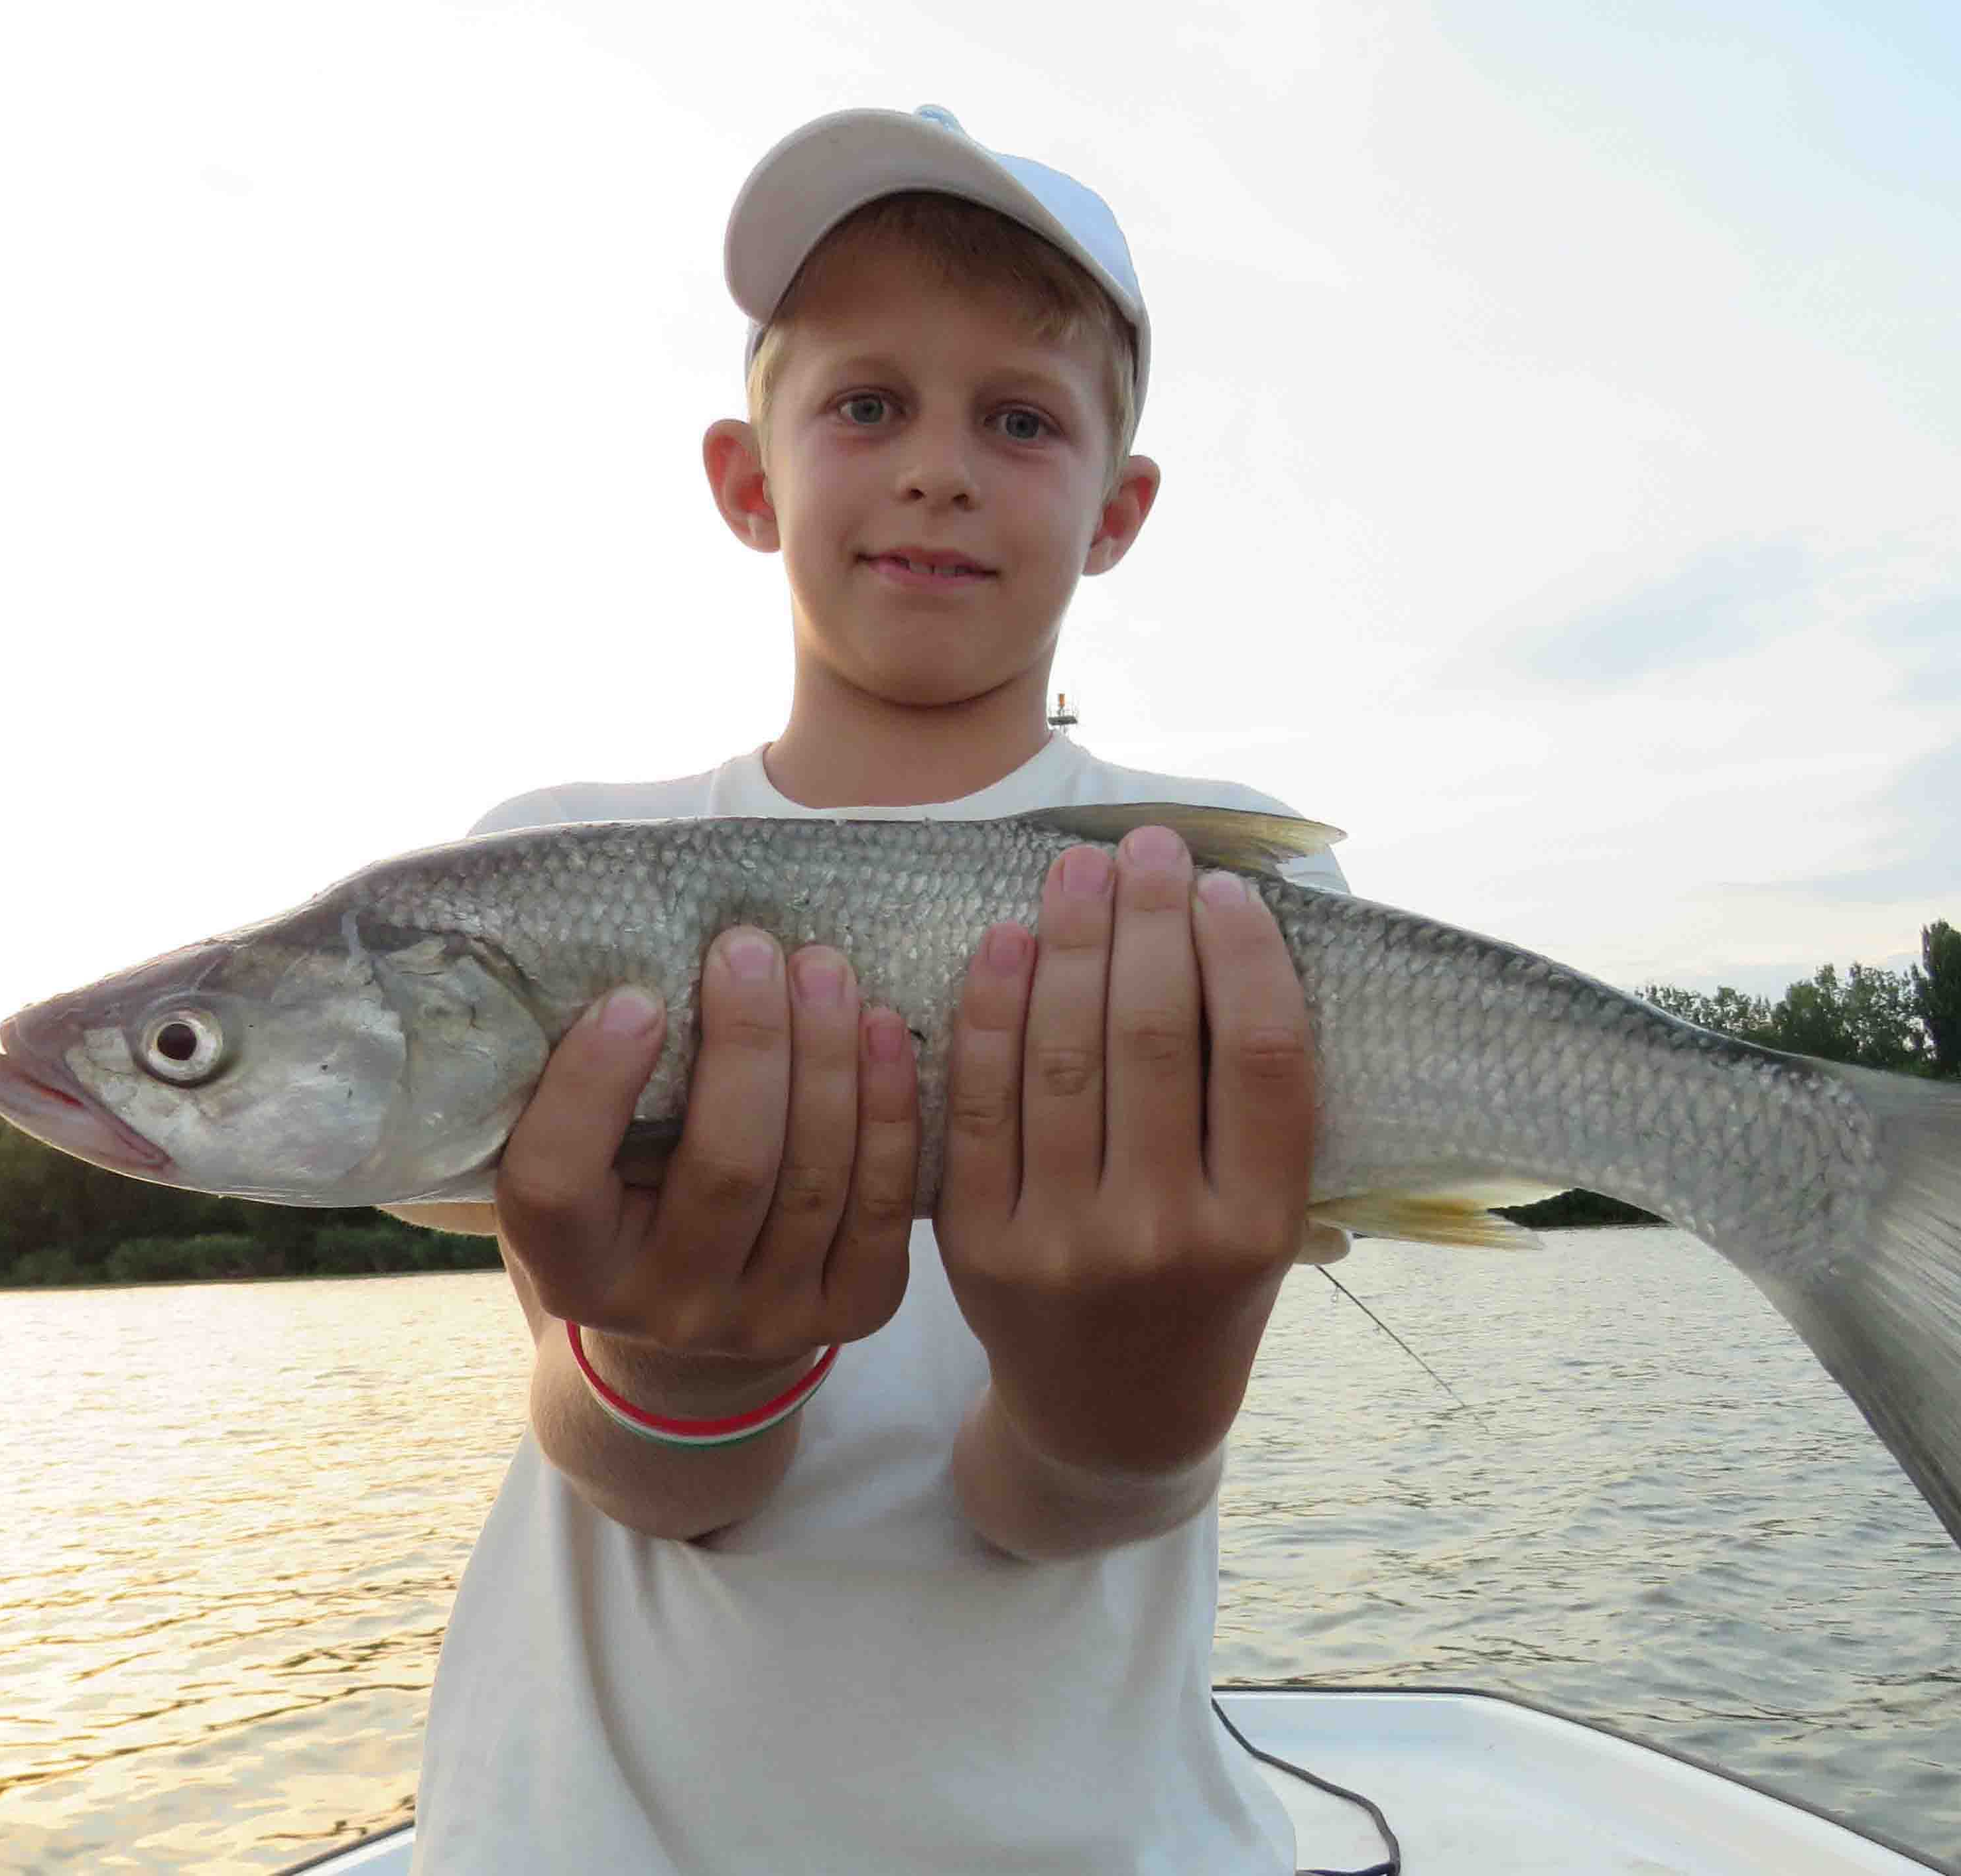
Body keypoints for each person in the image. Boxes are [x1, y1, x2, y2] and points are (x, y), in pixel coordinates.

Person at [396, 105, 1348, 1873]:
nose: (935, 469)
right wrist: (673, 1366)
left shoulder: (1232, 915)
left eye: (1017, 418)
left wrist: (1124, 1404)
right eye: (864, 405)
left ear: (1116, 510)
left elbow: (1051, 1511)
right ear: (746, 480)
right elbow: (673, 1491)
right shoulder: (546, 870)